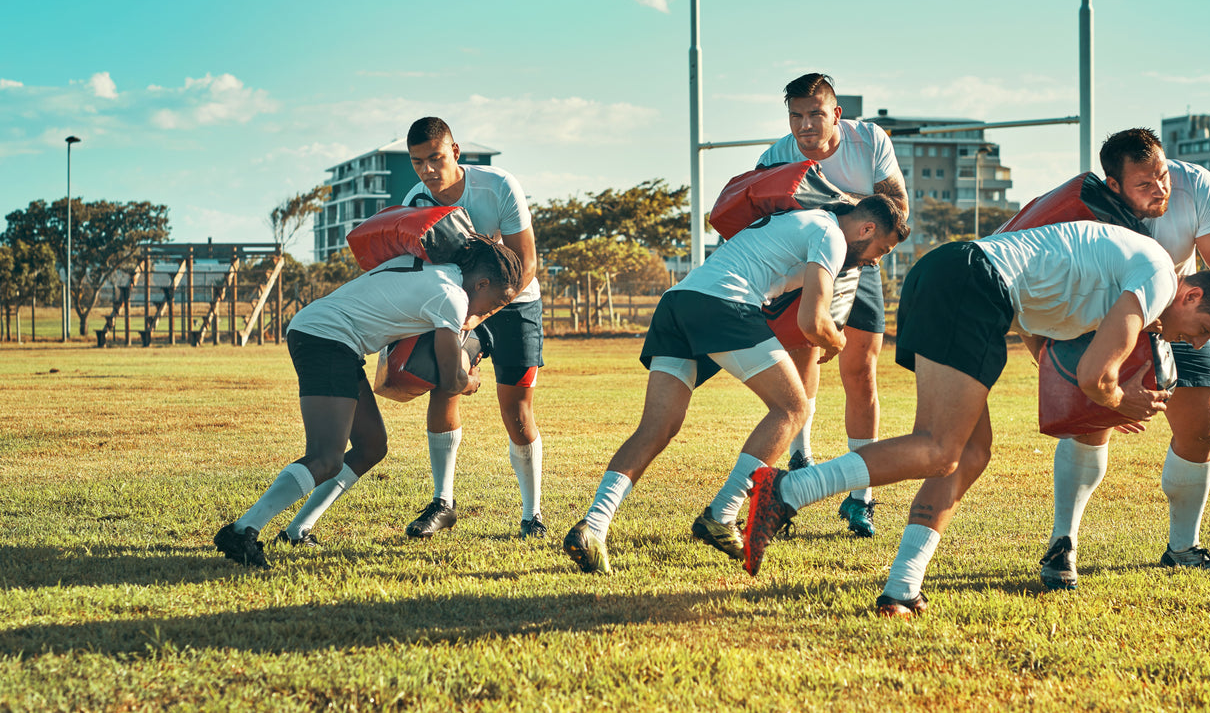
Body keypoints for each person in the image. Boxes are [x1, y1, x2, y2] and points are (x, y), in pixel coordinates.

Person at [741, 221, 1210, 617]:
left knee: (968, 455)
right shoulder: (1161, 277)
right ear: (1192, 294)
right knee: (940, 447)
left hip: (952, 277)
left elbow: (1043, 323)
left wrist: (1100, 387)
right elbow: (1097, 375)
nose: (1196, 344)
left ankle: (901, 590)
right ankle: (788, 491)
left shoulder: (1141, 273)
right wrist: (1120, 400)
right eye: (1204, 329)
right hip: (972, 283)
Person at [562, 195, 908, 574]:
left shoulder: (806, 221)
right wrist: (836, 341)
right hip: (723, 304)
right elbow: (814, 321)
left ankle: (593, 525)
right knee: (794, 408)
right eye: (882, 249)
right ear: (867, 228)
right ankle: (723, 513)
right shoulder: (832, 235)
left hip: (678, 302)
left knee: (656, 428)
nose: (877, 259)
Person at [276, 117, 547, 546]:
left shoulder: (498, 186)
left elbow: (526, 264)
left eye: (435, 158)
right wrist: (446, 324)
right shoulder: (416, 200)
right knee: (446, 382)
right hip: (458, 304)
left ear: (455, 153)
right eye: (418, 162)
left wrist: (474, 318)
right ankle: (443, 502)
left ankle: (532, 515)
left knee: (517, 412)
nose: (427, 170)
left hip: (514, 301)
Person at [213, 235, 524, 568]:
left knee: (371, 445)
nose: (487, 312)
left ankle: (297, 530)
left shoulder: (437, 271)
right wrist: (471, 382)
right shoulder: (452, 296)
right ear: (482, 283)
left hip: (332, 337)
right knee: (325, 458)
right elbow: (450, 380)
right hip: (326, 336)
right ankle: (243, 529)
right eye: (493, 303)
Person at [1039, 128, 1210, 590]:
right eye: (1145, 183)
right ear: (1114, 185)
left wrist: (1175, 305)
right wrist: (1049, 353)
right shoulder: (1086, 204)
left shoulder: (1194, 184)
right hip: (1102, 313)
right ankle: (1063, 544)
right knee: (1089, 421)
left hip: (1178, 309)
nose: (1160, 188)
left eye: (1163, 175)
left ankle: (1182, 548)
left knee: (1201, 428)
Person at [755, 73, 909, 539]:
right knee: (807, 360)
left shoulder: (869, 140)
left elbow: (897, 207)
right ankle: (800, 463)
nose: (805, 125)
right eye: (796, 115)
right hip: (807, 267)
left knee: (861, 371)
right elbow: (755, 216)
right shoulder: (777, 155)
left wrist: (843, 214)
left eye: (815, 114)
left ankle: (861, 496)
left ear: (835, 114)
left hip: (861, 260)